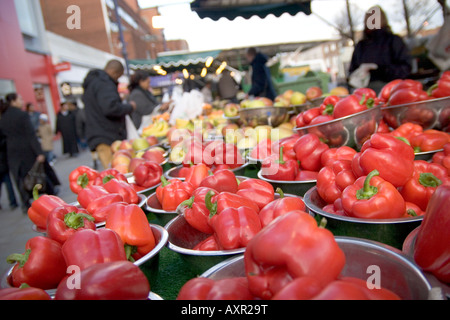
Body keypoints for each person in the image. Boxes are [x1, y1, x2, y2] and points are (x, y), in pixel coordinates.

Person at [82, 59, 136, 169]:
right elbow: (110, 108)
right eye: (118, 77)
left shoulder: (94, 83)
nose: (117, 79)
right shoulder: (104, 83)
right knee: (115, 174)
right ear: (114, 72)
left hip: (100, 134)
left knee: (114, 172)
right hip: (106, 136)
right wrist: (130, 107)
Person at [348, 6, 412, 93]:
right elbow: (351, 71)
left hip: (393, 90)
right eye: (369, 18)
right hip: (365, 92)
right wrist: (359, 73)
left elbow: (405, 68)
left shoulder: (393, 41)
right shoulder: (361, 46)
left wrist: (382, 70)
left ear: (382, 19)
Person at [0, 93, 46, 212]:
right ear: (13, 101)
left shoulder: (3, 117)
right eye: (20, 98)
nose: (22, 100)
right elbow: (31, 135)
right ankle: (40, 198)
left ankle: (25, 202)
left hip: (12, 151)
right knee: (33, 174)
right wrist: (39, 152)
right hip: (26, 150)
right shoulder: (22, 115)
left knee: (18, 177)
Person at [0, 130, 18, 210]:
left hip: (2, 162)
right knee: (8, 183)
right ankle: (13, 202)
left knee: (8, 184)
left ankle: (13, 201)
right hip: (3, 162)